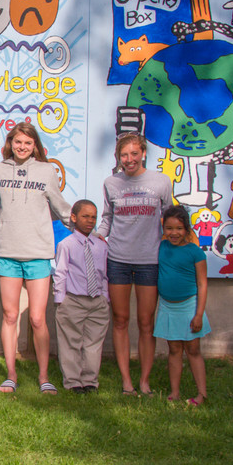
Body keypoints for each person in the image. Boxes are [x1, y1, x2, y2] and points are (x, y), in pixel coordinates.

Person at [0, 122, 71, 395]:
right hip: (8, 253)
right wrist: (3, 222)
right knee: (10, 315)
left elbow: (61, 207)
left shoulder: (46, 170)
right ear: (10, 143)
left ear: (35, 145)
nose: (22, 147)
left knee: (37, 318)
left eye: (27, 142)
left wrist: (88, 227)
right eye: (17, 142)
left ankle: (44, 376)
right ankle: (11, 375)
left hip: (38, 253)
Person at [96, 133, 174, 395]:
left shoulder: (162, 182)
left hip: (149, 261)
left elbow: (169, 219)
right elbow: (107, 218)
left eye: (133, 154)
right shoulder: (111, 183)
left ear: (143, 153)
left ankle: (145, 380)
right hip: (117, 259)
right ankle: (127, 381)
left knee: (145, 322)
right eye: (124, 155)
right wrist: (94, 238)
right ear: (118, 157)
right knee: (120, 319)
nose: (129, 159)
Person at [52, 199, 110, 393]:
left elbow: (103, 273)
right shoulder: (66, 244)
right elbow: (61, 272)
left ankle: (90, 380)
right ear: (74, 218)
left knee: (93, 343)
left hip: (97, 301)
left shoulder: (100, 245)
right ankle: (73, 381)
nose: (90, 221)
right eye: (85, 216)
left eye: (93, 217)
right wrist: (61, 300)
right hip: (73, 300)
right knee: (71, 342)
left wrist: (105, 297)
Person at [154, 205, 210, 405]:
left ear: (186, 228)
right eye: (169, 228)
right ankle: (174, 392)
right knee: (174, 349)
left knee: (193, 350)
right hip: (168, 307)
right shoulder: (161, 247)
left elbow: (202, 284)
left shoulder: (195, 252)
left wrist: (198, 314)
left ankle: (201, 394)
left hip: (189, 307)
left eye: (178, 228)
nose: (174, 233)